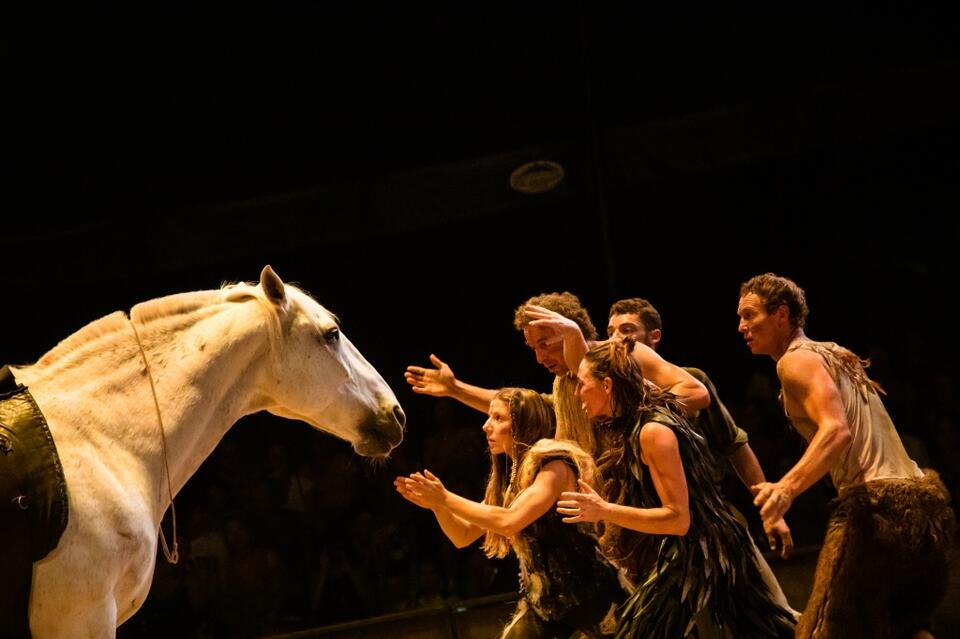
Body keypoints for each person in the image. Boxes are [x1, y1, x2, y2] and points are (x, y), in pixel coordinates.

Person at [737, 272, 955, 639]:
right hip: (926, 513)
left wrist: (785, 490)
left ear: (782, 314)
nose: (741, 326)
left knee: (822, 631)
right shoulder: (833, 351)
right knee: (906, 630)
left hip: (878, 511)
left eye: (750, 315)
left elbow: (836, 430)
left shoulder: (794, 361)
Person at [557, 340, 796, 638]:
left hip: (705, 557)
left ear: (607, 385)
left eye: (581, 383)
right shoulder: (635, 424)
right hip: (691, 552)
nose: (576, 392)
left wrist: (604, 510)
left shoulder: (652, 432)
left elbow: (678, 520)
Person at [395, 387, 624, 638]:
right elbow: (462, 535)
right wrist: (438, 505)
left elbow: (509, 522)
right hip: (546, 604)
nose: (486, 426)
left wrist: (446, 498)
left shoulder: (554, 467)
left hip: (590, 600)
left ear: (523, 424)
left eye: (498, 418)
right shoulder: (510, 482)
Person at [405, 292, 709, 458]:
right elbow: (520, 407)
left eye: (545, 344)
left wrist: (638, 404)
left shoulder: (622, 355)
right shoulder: (564, 384)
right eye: (532, 348)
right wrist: (455, 388)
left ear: (570, 330)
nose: (539, 358)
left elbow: (697, 394)